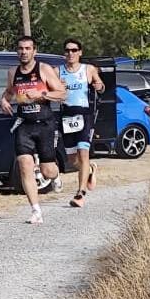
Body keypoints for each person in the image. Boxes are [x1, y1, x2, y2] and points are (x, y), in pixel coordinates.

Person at [0, 36, 67, 224]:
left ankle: (55, 176)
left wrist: (41, 94)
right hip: (24, 124)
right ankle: (36, 211)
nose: (24, 52)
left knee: (47, 170)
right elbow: (9, 91)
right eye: (21, 48)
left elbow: (62, 93)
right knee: (24, 165)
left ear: (34, 51)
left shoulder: (44, 69)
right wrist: (4, 100)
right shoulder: (13, 72)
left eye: (28, 48)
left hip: (44, 124)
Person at [58, 39, 105, 208]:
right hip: (67, 116)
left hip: (84, 115)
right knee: (72, 160)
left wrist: (99, 86)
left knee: (83, 153)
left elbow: (101, 87)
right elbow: (50, 90)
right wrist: (57, 88)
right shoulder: (58, 71)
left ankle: (80, 194)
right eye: (67, 50)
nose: (70, 53)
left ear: (80, 52)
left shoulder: (88, 69)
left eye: (74, 50)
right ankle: (90, 170)